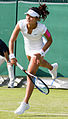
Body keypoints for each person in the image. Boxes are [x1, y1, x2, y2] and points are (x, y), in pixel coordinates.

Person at [9, 4, 58, 114]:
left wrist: (41, 53)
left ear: (36, 19)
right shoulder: (21, 24)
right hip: (28, 49)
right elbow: (12, 40)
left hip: (40, 48)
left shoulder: (42, 28)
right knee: (37, 64)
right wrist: (12, 55)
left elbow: (50, 40)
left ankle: (25, 103)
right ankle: (52, 67)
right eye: (27, 15)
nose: (28, 17)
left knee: (30, 73)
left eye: (31, 16)